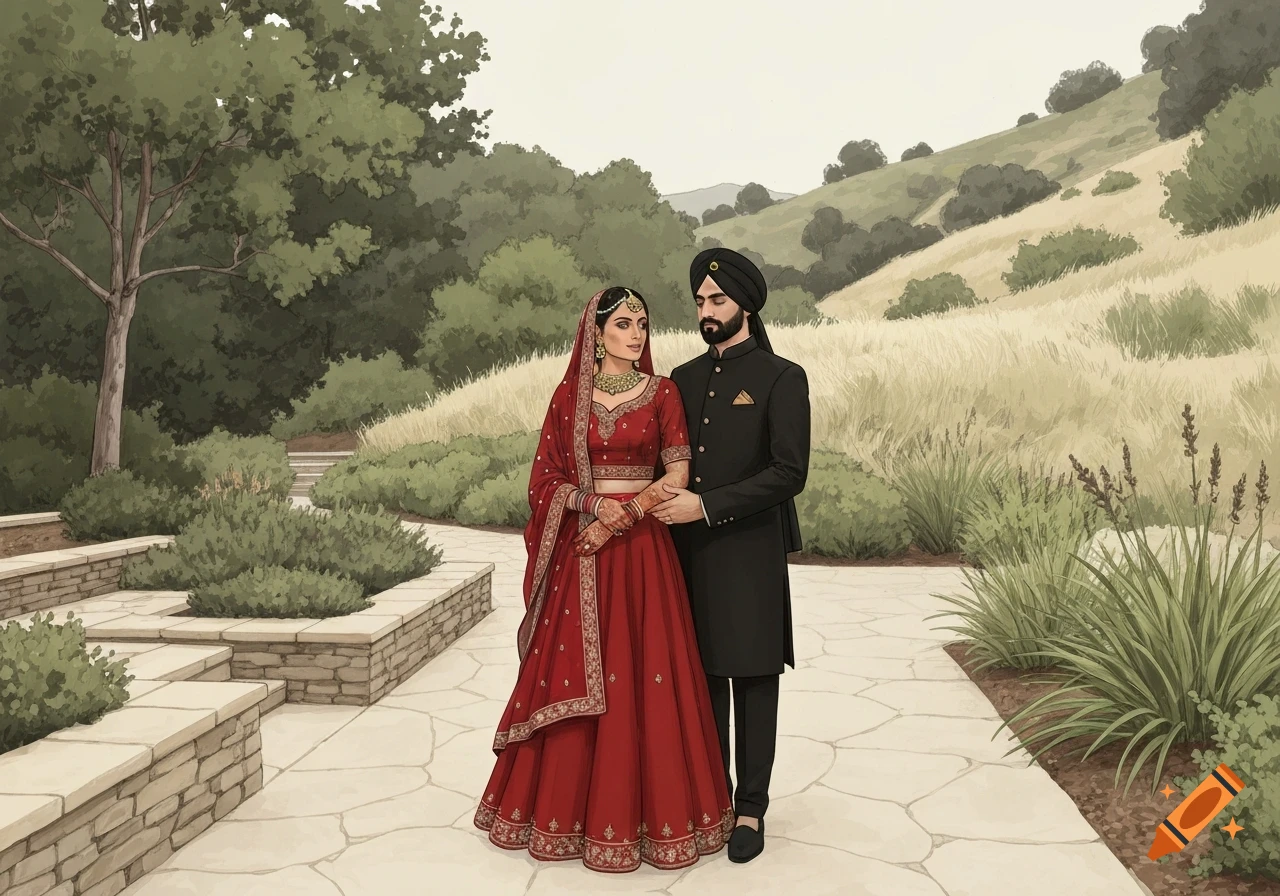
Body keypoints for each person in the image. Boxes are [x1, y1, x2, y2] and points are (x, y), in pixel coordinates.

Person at [473, 286, 734, 873]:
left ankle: (658, 822)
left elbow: (678, 472)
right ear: (596, 332)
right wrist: (592, 508)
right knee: (579, 671)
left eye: (642, 323)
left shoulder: (663, 392)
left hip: (643, 554)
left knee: (650, 674)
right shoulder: (569, 398)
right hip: (583, 554)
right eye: (623, 323)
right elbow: (544, 482)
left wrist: (627, 514)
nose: (636, 333)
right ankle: (569, 818)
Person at [650, 248, 811, 864]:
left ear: (745, 303)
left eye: (717, 300)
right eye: (699, 302)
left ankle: (751, 809)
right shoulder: (682, 382)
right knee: (705, 677)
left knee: (753, 678)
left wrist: (707, 506)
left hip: (748, 550)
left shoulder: (781, 377)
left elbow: (788, 473)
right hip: (686, 555)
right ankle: (713, 798)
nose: (707, 312)